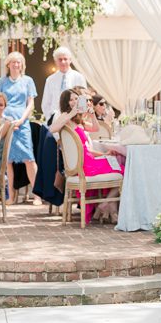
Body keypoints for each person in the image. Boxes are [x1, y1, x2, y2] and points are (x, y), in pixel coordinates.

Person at [50, 89, 124, 223]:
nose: (74, 102)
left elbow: (95, 130)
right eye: (71, 99)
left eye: (76, 99)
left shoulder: (79, 120)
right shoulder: (65, 117)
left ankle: (108, 206)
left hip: (88, 161)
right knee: (122, 170)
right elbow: (52, 129)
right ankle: (107, 206)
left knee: (118, 164)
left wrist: (92, 115)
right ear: (66, 102)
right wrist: (71, 113)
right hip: (83, 166)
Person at [0, 52, 39, 205]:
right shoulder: (2, 81)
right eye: (13, 62)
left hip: (22, 122)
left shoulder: (28, 81)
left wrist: (21, 120)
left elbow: (30, 103)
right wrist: (6, 120)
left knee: (29, 159)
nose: (16, 64)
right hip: (6, 122)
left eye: (18, 62)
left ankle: (37, 195)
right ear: (8, 64)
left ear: (22, 65)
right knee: (8, 160)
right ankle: (10, 196)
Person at [40, 46, 86, 124]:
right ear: (56, 61)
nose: (63, 62)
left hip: (74, 120)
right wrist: (50, 118)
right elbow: (45, 103)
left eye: (65, 59)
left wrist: (79, 118)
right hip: (55, 119)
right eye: (60, 59)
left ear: (70, 60)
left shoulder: (79, 77)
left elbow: (83, 101)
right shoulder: (50, 80)